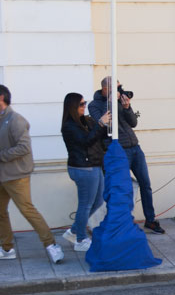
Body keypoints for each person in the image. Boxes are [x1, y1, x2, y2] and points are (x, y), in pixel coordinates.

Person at [88, 76, 165, 234]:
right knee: (120, 188)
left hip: (135, 147)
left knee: (145, 184)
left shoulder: (120, 100)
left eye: (120, 86)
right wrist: (110, 103)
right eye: (116, 88)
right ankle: (120, 222)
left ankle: (150, 220)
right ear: (105, 89)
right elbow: (103, 125)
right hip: (117, 150)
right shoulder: (94, 105)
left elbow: (133, 122)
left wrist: (128, 107)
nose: (120, 90)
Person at [0, 85, 65, 263]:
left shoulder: (16, 120)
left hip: (16, 176)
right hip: (2, 175)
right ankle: (7, 249)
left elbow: (23, 147)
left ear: (1, 98)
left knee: (27, 210)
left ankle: (51, 245)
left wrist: (1, 156)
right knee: (0, 212)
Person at [61, 92, 111, 251]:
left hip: (95, 165)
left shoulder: (86, 120)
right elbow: (86, 141)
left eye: (84, 103)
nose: (84, 106)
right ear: (72, 107)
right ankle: (80, 239)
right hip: (82, 168)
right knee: (86, 204)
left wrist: (105, 121)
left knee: (97, 201)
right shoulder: (69, 126)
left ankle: (74, 231)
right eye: (81, 104)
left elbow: (99, 136)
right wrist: (100, 124)